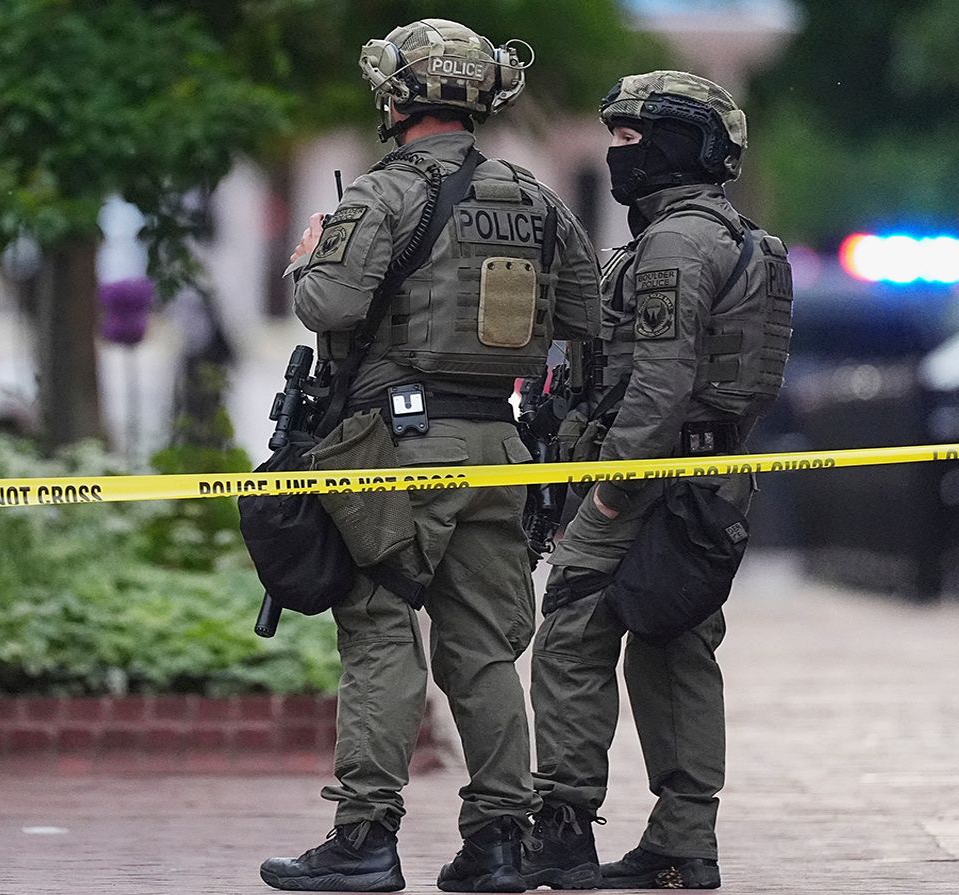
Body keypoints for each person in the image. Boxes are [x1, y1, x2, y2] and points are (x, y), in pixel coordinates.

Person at [259, 19, 602, 893]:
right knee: (484, 648)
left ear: (397, 98)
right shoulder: (535, 199)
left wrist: (304, 262)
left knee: (379, 630)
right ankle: (498, 841)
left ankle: (365, 835)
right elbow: (586, 322)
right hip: (500, 445)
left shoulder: (380, 197)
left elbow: (326, 305)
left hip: (396, 451)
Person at [522, 71, 792, 890]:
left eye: (634, 139)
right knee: (675, 646)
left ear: (682, 146)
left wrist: (606, 489)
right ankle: (683, 841)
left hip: (646, 475)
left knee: (571, 631)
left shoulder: (676, 245)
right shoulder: (738, 239)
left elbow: (660, 382)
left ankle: (563, 828)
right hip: (706, 478)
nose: (616, 153)